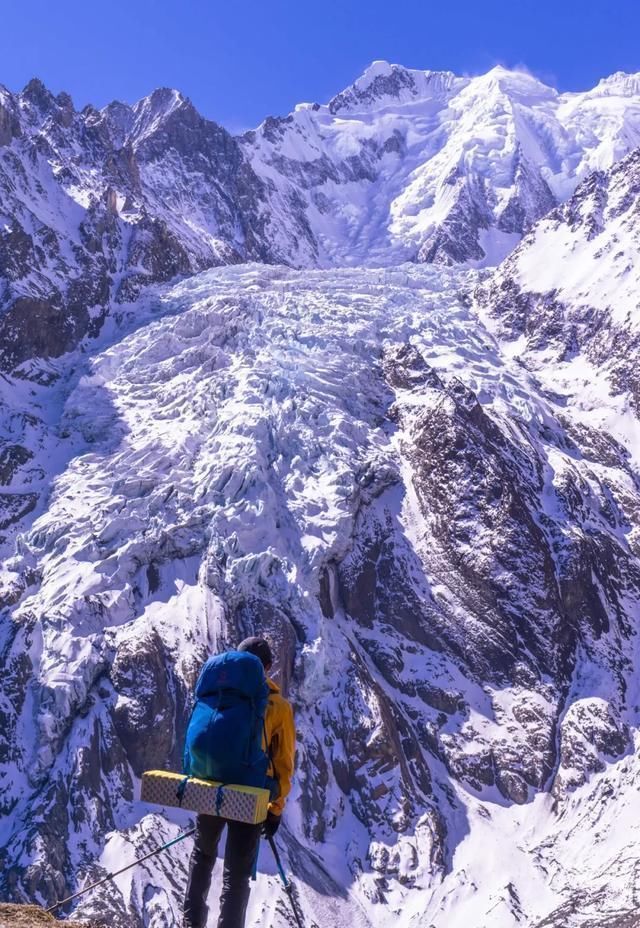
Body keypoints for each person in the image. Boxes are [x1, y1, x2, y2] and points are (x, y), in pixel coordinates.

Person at [183, 636, 296, 928]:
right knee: (236, 875)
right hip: (249, 794)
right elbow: (284, 764)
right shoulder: (276, 705)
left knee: (202, 857)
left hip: (208, 784)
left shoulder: (215, 693)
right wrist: (275, 809)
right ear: (266, 668)